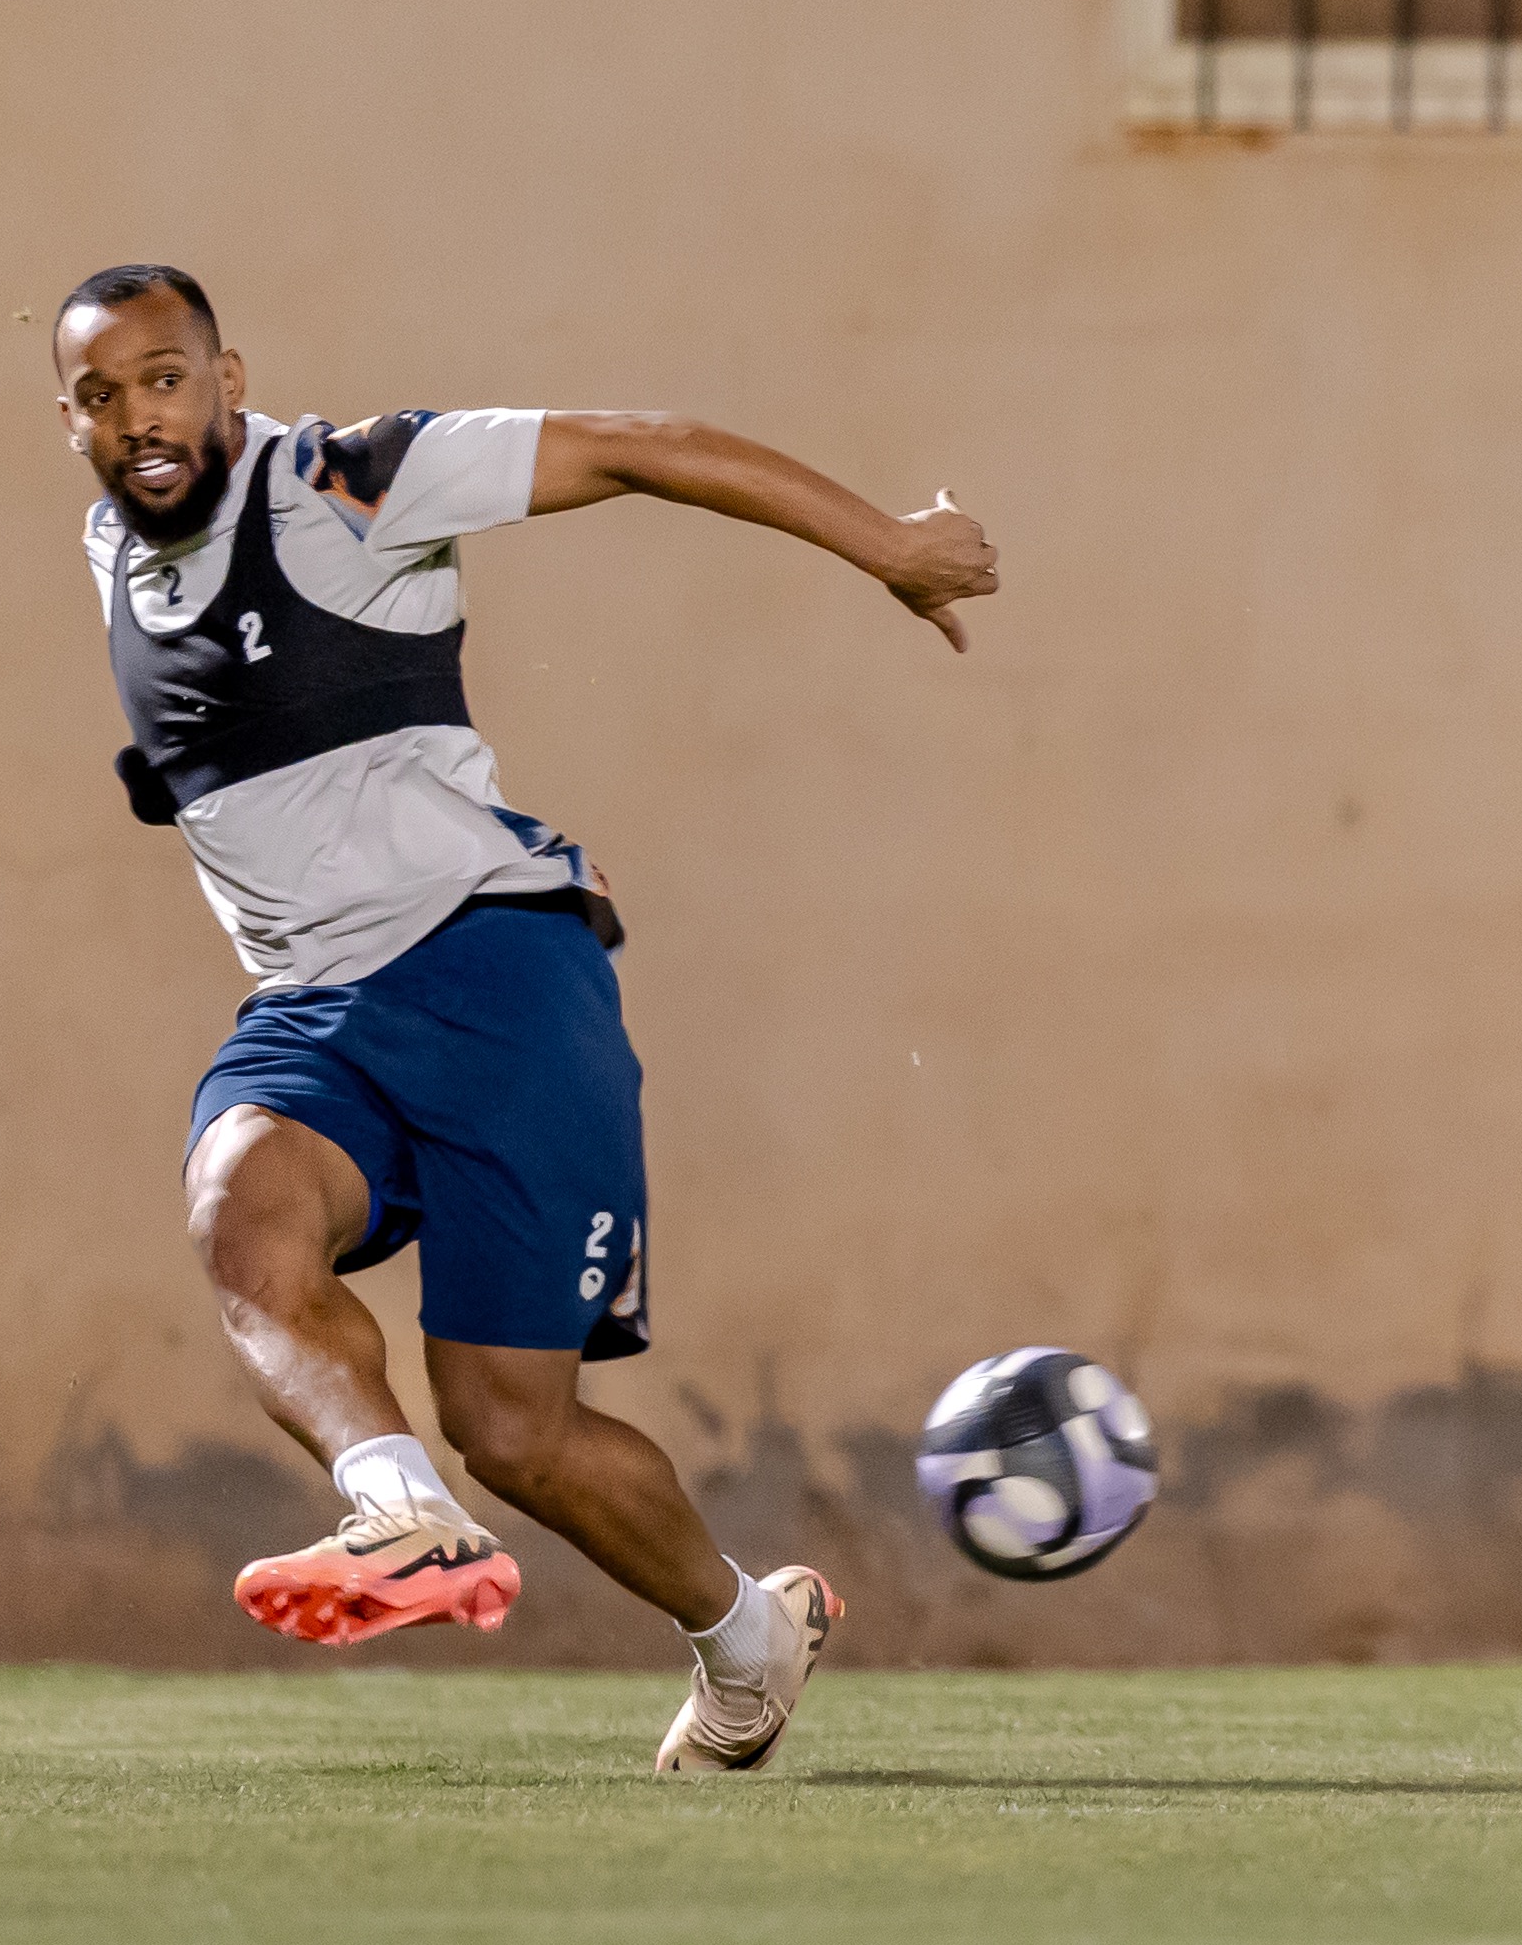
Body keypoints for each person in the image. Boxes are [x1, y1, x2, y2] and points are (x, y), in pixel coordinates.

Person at [53, 263, 994, 1775]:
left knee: (518, 1430)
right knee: (239, 1202)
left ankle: (745, 1631)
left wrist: (886, 545)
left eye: (166, 377)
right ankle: (399, 1512)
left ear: (232, 379)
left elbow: (639, 443)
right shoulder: (114, 546)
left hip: (496, 976)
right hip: (316, 1007)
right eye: (101, 395)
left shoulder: (346, 481)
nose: (137, 417)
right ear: (72, 421)